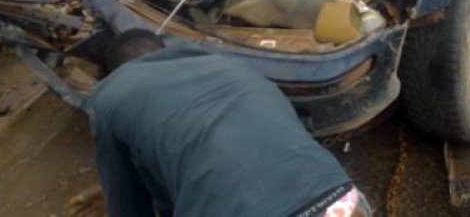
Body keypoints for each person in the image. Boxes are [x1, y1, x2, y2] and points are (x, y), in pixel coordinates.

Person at [83, 29, 371, 217]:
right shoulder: (231, 66)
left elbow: (127, 204)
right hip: (341, 202)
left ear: (117, 69)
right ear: (163, 48)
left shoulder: (110, 95)